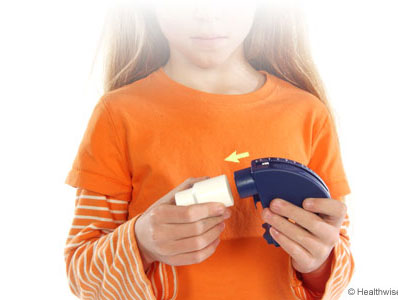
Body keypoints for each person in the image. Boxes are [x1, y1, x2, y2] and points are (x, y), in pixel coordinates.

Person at [63, 0, 354, 299]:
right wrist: (141, 241)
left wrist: (319, 262)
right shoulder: (117, 115)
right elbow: (82, 276)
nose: (207, 12)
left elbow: (337, 259)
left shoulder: (308, 114)